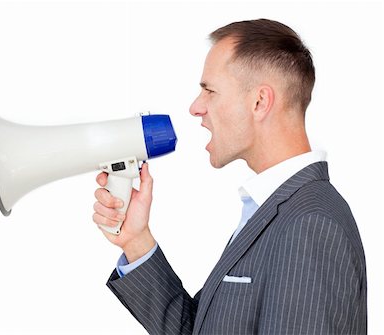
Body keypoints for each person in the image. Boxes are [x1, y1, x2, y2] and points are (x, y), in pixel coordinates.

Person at [92, 19, 367, 334]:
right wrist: (137, 241)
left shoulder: (310, 224)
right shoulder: (277, 211)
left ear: (259, 102)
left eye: (209, 90)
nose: (196, 108)